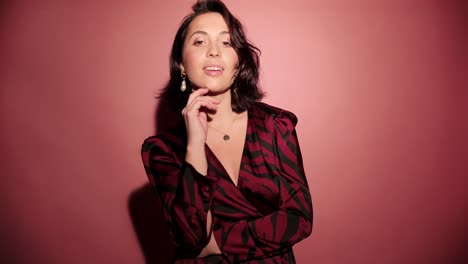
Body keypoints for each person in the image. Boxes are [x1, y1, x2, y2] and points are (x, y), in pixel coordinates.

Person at [141, 0, 313, 263]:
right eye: (199, 42)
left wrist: (219, 242)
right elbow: (191, 238)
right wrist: (195, 146)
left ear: (239, 60)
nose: (213, 52)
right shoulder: (162, 150)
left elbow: (299, 218)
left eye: (226, 42)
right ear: (182, 64)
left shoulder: (275, 125)